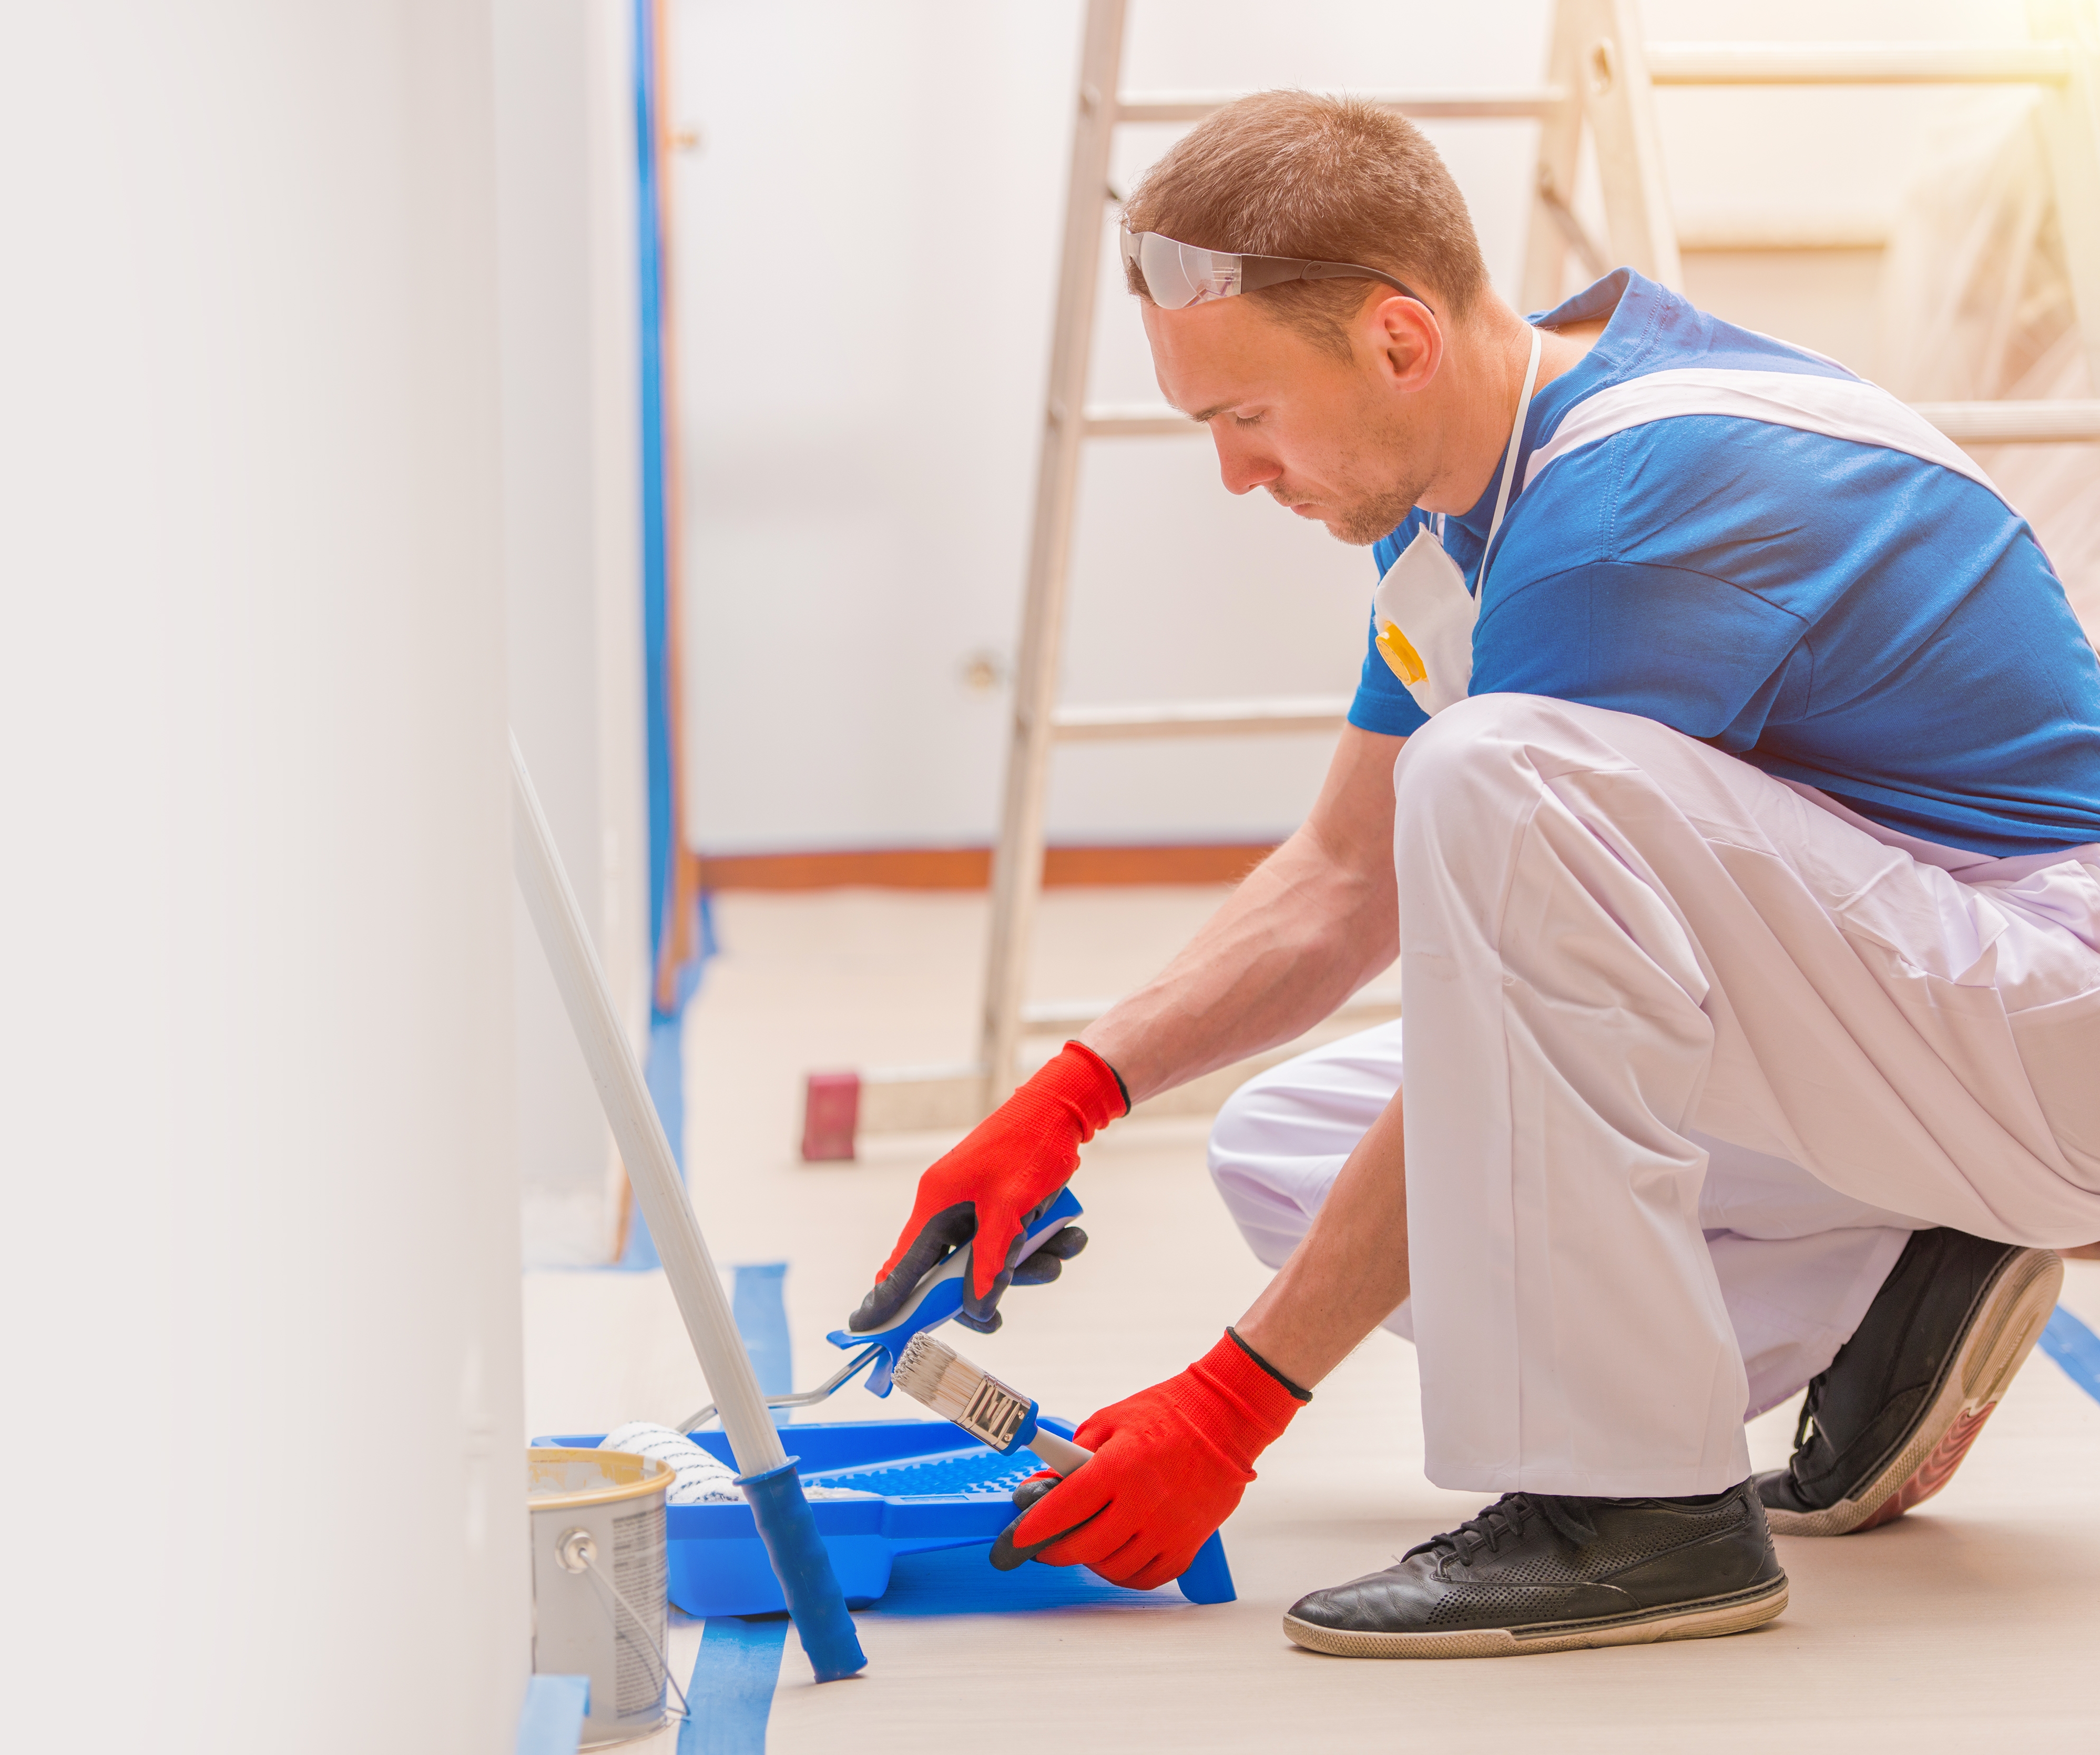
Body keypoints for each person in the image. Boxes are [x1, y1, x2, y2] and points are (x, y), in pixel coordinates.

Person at [853, 91, 2100, 1659]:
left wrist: (1234, 1402)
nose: (1238, 475)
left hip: (2046, 1005)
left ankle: (1635, 1511)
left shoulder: (1632, 509)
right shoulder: (1467, 495)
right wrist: (1075, 1094)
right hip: (1906, 1009)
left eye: (1246, 416)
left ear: (1395, 340)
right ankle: (1903, 1270)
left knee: (1496, 776)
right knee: (1280, 1149)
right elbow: (1339, 880)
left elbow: (1490, 932)